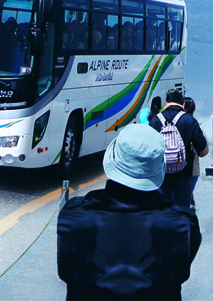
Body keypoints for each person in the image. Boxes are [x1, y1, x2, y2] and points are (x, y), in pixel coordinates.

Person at [57, 123, 202, 300]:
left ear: (112, 161)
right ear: (158, 169)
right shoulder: (184, 224)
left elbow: (67, 272)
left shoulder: (73, 216)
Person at [149, 89, 207, 209]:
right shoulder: (189, 120)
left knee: (163, 207)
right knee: (182, 209)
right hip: (183, 172)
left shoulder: (155, 120)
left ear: (167, 102)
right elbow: (201, 146)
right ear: (182, 104)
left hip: (162, 172)